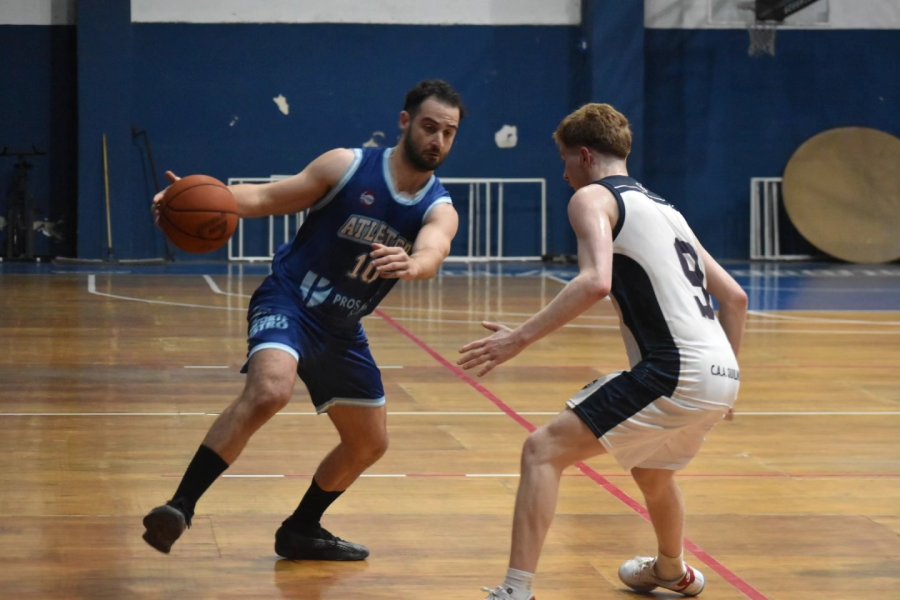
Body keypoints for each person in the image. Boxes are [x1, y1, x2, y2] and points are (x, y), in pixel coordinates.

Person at [142, 79, 465, 560]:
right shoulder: (347, 166)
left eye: (448, 132)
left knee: (368, 444)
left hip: (342, 328)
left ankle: (301, 528)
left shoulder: (438, 206)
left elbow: (434, 249)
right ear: (405, 122)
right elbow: (266, 198)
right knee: (271, 390)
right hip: (290, 300)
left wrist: (415, 264)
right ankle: (180, 507)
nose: (437, 140)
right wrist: (189, 198)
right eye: (428, 126)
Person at [458, 103, 747, 599]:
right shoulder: (670, 212)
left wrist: (517, 339)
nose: (565, 174)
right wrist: (729, 379)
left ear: (586, 156)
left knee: (542, 451)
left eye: (566, 161)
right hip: (722, 375)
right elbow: (736, 298)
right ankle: (671, 570)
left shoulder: (593, 198)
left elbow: (595, 282)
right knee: (652, 471)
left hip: (676, 371)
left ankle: (515, 590)